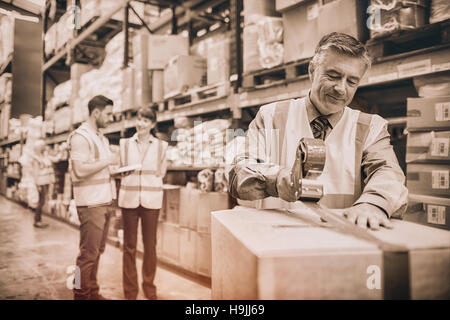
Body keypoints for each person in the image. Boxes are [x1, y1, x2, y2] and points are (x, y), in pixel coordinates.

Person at [228, 32, 408, 230]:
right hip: (278, 238)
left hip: (341, 241)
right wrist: (277, 179)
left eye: (351, 82)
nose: (341, 88)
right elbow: (239, 169)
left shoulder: (371, 128)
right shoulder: (271, 116)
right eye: (333, 76)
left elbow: (387, 172)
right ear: (312, 71)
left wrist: (373, 203)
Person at [68, 95, 117, 300]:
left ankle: (93, 292)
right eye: (108, 114)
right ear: (96, 112)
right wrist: (107, 161)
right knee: (86, 255)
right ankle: (80, 295)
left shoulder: (101, 137)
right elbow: (79, 170)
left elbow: (101, 169)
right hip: (90, 204)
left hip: (104, 200)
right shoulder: (81, 137)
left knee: (96, 252)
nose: (111, 118)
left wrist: (118, 171)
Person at [118, 106, 168, 300]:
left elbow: (161, 172)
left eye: (146, 120)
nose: (141, 123)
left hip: (151, 200)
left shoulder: (161, 146)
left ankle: (149, 286)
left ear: (152, 124)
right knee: (129, 246)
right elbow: (118, 169)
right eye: (139, 119)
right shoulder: (124, 144)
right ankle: (130, 292)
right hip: (129, 200)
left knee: (150, 246)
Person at [31, 140, 58, 228]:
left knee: (42, 201)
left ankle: (38, 220)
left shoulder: (44, 156)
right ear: (39, 148)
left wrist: (62, 150)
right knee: (41, 202)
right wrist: (37, 184)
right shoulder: (36, 159)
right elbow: (35, 173)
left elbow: (56, 159)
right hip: (41, 183)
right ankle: (37, 221)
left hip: (46, 181)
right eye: (43, 146)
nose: (45, 147)